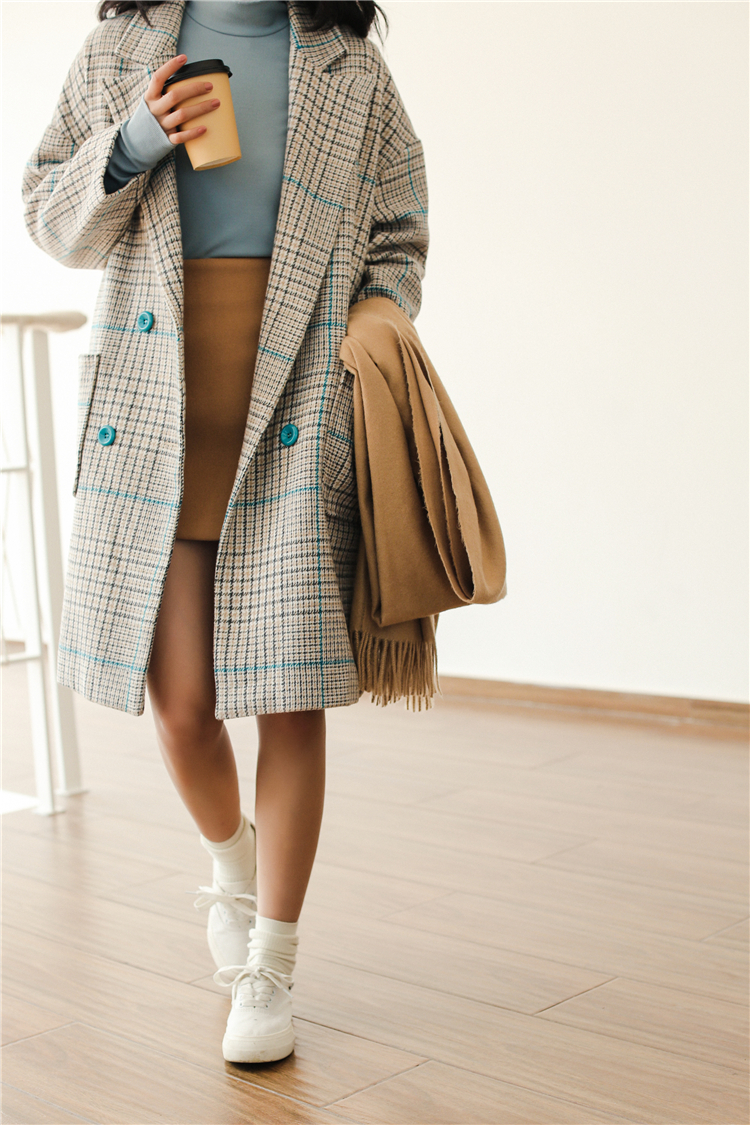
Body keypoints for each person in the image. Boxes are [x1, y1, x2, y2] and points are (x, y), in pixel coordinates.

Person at [22, 0, 428, 1064]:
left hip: (298, 394)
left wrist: (375, 320)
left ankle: (272, 964)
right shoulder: (122, 46)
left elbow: (400, 236)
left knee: (289, 693)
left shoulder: (348, 68)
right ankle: (233, 867)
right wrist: (133, 141)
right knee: (179, 705)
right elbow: (50, 220)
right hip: (155, 396)